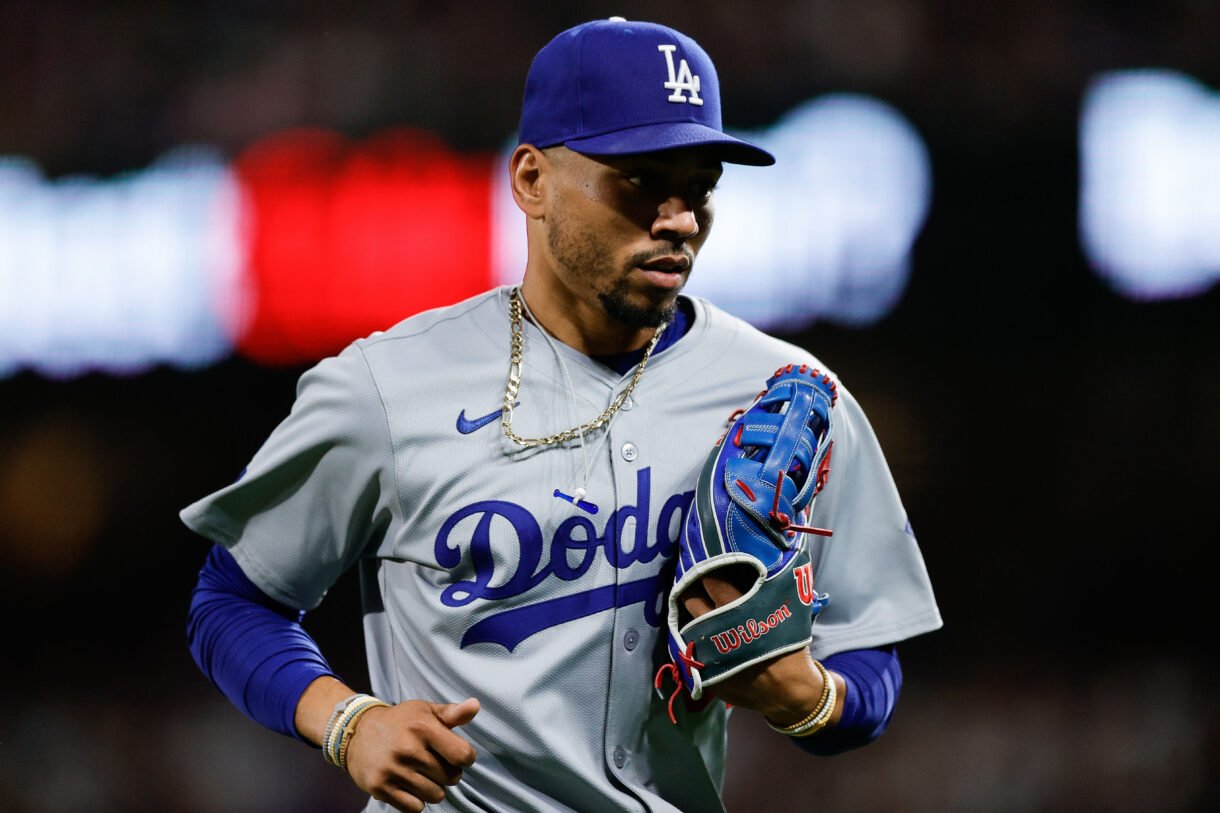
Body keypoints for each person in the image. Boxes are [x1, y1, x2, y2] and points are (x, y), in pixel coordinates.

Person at [182, 17, 941, 813]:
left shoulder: (782, 389)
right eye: (640, 180)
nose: (679, 217)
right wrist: (347, 719)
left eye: (701, 185)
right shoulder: (386, 387)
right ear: (531, 181)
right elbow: (232, 600)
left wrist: (812, 698)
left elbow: (869, 655)